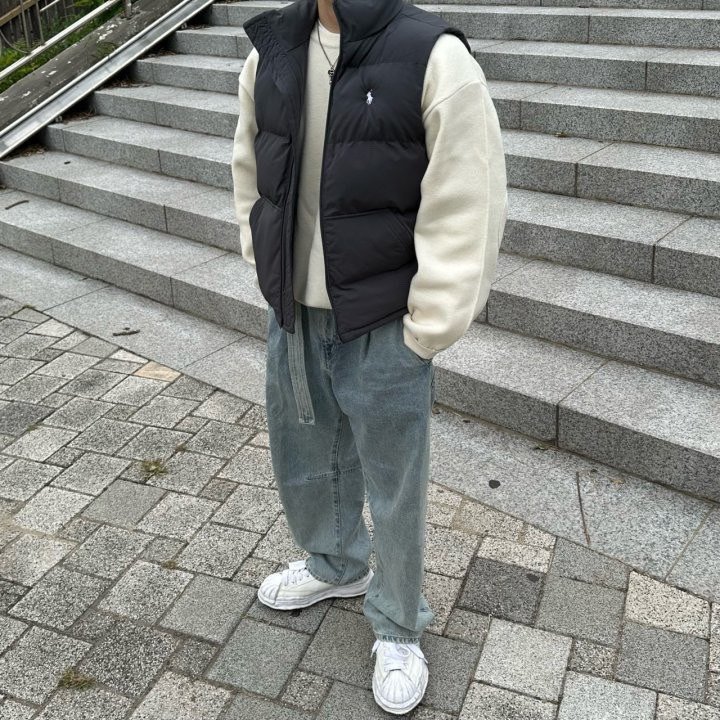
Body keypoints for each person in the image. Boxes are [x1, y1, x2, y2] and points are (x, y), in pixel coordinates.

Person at [231, 0, 507, 713]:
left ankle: (398, 622)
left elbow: (467, 199)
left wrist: (427, 328)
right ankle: (335, 563)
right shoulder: (273, 49)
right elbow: (249, 166)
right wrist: (266, 265)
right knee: (303, 455)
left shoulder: (434, 56)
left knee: (394, 483)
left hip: (385, 319)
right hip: (295, 311)